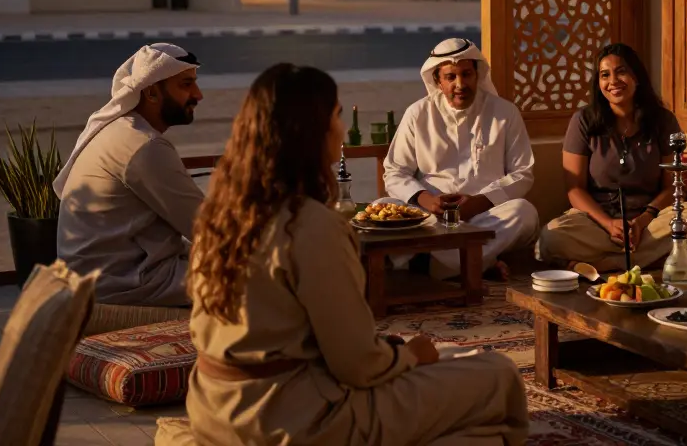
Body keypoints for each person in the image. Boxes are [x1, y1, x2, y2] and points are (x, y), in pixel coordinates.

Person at [179, 64, 529, 446]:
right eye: (337, 116)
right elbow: (359, 365)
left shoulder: (219, 213)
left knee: (450, 358)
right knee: (497, 374)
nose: (342, 129)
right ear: (312, 132)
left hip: (212, 409)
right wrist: (410, 356)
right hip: (291, 419)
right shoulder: (311, 225)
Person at [536, 43, 687, 272]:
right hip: (597, 221)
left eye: (621, 72)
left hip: (649, 221)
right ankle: (660, 257)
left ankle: (607, 264)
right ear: (598, 82)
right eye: (605, 75)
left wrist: (642, 220)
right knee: (550, 239)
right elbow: (575, 189)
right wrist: (609, 224)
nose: (613, 81)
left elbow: (672, 187)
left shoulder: (662, 121)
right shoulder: (584, 120)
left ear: (636, 77)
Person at [55, 43, 205, 306]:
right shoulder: (144, 146)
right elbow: (209, 228)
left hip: (110, 275)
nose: (198, 95)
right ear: (152, 92)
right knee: (262, 276)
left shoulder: (123, 131)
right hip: (126, 283)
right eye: (186, 84)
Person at [384, 38, 538, 279]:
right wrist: (427, 200)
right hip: (431, 217)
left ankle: (432, 266)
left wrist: (479, 202)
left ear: (477, 75)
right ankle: (479, 263)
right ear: (438, 81)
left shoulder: (505, 113)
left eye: (466, 74)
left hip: (486, 215)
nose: (460, 84)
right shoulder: (417, 114)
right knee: (383, 205)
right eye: (451, 77)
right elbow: (395, 171)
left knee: (525, 213)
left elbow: (523, 173)